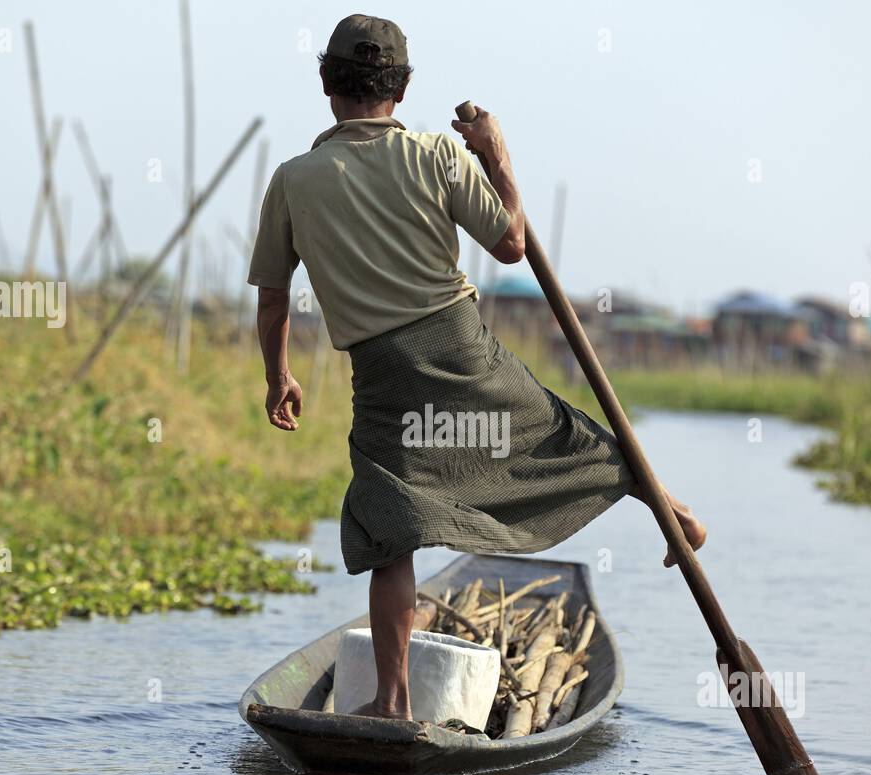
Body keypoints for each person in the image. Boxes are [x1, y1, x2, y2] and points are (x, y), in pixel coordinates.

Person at [250, 14, 706, 720]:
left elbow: (275, 299)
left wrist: (278, 376)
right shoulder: (438, 156)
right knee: (565, 438)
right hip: (460, 347)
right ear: (401, 88)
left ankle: (391, 704)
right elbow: (512, 243)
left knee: (386, 525)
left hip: (381, 371)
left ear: (326, 85)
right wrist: (498, 157)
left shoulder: (294, 179)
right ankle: (672, 513)